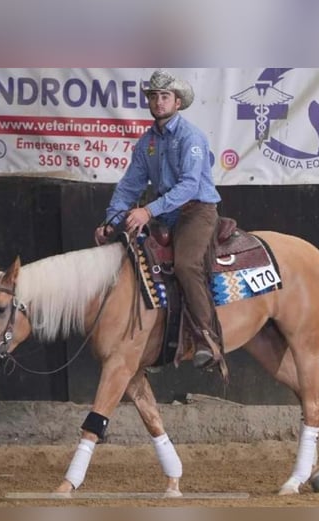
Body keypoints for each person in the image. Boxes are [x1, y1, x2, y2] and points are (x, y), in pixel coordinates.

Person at [95, 69, 223, 369]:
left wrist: (148, 211)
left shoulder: (191, 137)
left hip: (196, 211)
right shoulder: (147, 143)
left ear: (177, 102)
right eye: (153, 96)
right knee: (133, 257)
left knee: (186, 264)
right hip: (165, 213)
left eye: (165, 96)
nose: (158, 102)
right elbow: (129, 187)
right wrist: (111, 222)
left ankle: (207, 338)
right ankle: (149, 337)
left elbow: (190, 185)